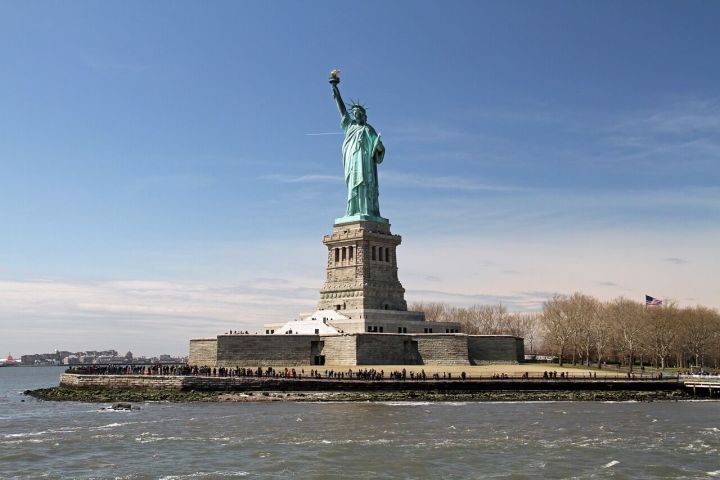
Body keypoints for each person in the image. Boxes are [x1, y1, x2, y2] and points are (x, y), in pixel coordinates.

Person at [331, 80, 385, 220]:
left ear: (363, 116)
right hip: (352, 162)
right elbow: (343, 111)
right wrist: (336, 92)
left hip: (365, 162)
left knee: (365, 184)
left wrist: (378, 144)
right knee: (352, 186)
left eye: (359, 114)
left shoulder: (368, 129)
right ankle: (353, 211)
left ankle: (367, 210)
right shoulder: (350, 127)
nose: (356, 115)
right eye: (354, 114)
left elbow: (379, 148)